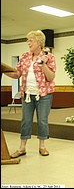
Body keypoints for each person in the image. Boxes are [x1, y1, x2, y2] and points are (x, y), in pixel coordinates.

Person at [4, 30, 56, 158]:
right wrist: (4, 70)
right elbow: (17, 74)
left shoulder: (49, 57)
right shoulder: (25, 56)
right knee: (25, 121)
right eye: (27, 40)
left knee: (42, 121)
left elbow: (50, 77)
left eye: (30, 40)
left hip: (43, 95)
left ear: (39, 42)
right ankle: (22, 148)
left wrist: (43, 64)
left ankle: (42, 146)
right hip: (27, 94)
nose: (28, 43)